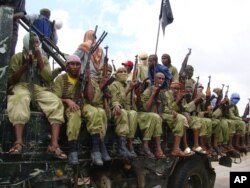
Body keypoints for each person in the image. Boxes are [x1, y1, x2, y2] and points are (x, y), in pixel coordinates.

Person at [7, 32, 66, 159]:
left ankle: (54, 145)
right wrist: (25, 66)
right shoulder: (17, 57)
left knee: (55, 102)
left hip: (38, 88)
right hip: (21, 86)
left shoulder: (43, 59)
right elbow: (11, 80)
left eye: (37, 42)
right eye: (33, 42)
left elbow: (48, 78)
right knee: (19, 99)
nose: (36, 45)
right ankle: (18, 142)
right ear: (26, 43)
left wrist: (39, 59)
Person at [141, 75, 192, 157]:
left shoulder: (162, 92)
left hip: (161, 114)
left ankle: (176, 148)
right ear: (154, 79)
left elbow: (166, 108)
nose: (161, 80)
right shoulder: (150, 90)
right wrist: (153, 94)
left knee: (181, 118)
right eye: (159, 78)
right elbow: (145, 108)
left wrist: (176, 104)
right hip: (148, 114)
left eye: (163, 79)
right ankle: (158, 149)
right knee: (156, 117)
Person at [108, 67, 138, 158]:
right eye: (121, 72)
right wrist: (129, 89)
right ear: (116, 74)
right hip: (115, 111)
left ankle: (130, 144)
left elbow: (133, 102)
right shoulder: (114, 85)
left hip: (128, 110)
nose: (124, 73)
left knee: (133, 113)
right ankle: (121, 147)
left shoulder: (128, 84)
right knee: (123, 112)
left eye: (125, 72)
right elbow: (115, 100)